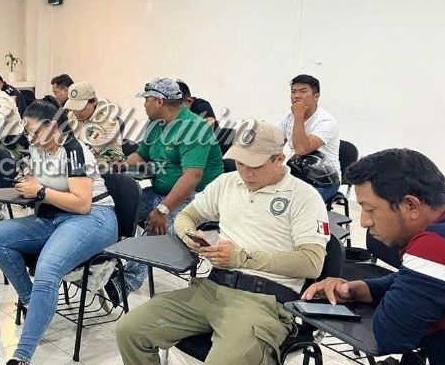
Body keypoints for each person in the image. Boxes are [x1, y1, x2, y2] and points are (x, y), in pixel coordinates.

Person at [116, 120, 330, 365]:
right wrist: (191, 237)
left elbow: (312, 263)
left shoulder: (304, 197)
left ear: (279, 159)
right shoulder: (227, 182)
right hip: (212, 289)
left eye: (255, 166)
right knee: (130, 330)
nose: (246, 173)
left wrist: (241, 257)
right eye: (240, 163)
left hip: (264, 301)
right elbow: (186, 217)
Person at [303, 149, 445, 365]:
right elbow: (414, 282)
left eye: (370, 210)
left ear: (411, 206)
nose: (364, 222)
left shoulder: (438, 246)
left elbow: (391, 336)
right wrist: (355, 290)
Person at [0, 99, 117, 365]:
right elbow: (43, 183)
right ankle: (32, 302)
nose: (31, 139)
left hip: (93, 217)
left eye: (35, 132)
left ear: (53, 127)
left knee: (48, 268)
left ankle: (22, 355)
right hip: (55, 215)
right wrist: (29, 186)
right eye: (28, 133)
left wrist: (41, 191)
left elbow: (82, 204)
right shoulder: (39, 148)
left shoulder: (74, 151)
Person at [105, 77, 225, 305]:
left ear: (159, 101)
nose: (144, 104)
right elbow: (142, 155)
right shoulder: (156, 125)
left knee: (155, 226)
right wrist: (122, 164)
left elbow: (192, 177)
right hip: (162, 192)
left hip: (197, 197)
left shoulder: (194, 128)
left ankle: (123, 284)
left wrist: (163, 209)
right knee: (116, 209)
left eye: (147, 100)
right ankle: (105, 264)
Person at [279, 74, 341, 202]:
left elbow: (302, 149)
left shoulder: (326, 121)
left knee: (294, 205)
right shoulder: (288, 116)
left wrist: (299, 116)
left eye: (303, 91)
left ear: (316, 96)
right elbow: (276, 144)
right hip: (296, 173)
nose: (297, 96)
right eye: (293, 92)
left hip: (323, 180)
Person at [64, 82, 124, 163]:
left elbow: (117, 157)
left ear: (94, 101)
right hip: (76, 163)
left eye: (81, 107)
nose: (77, 112)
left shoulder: (107, 122)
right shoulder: (71, 116)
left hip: (102, 166)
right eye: (74, 107)